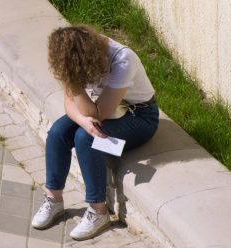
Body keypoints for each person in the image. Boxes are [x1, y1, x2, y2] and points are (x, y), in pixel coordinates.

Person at [31, 24, 159, 241]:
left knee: (86, 138)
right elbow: (70, 103)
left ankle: (98, 211)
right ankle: (54, 199)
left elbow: (97, 113)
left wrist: (73, 84)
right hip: (104, 111)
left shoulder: (122, 60)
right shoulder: (73, 56)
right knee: (58, 132)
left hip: (139, 116)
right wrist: (82, 119)